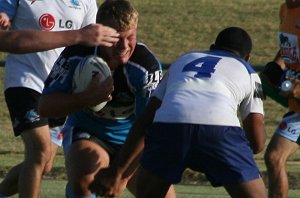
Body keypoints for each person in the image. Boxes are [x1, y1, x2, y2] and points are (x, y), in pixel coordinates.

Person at [92, 26, 267, 198]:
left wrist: (117, 171)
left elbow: (146, 119)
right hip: (219, 129)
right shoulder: (248, 71)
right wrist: (230, 154)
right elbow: (257, 142)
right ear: (248, 58)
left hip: (169, 125)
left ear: (212, 48)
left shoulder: (183, 60)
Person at [38, 0, 176, 197]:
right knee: (85, 184)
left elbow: (149, 128)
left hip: (133, 140)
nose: (124, 46)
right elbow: (45, 107)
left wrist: (121, 176)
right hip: (89, 132)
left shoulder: (145, 67)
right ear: (101, 33)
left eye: (131, 37)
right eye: (116, 38)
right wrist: (85, 98)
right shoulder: (76, 54)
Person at [0, 0, 109, 197]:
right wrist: (3, 20)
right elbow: (3, 29)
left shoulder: (86, 2)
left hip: (59, 88)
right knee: (39, 151)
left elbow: (92, 42)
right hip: (25, 79)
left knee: (45, 164)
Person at [263, 1, 300, 197]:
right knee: (274, 157)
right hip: (297, 106)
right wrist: (276, 66)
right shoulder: (286, 9)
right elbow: (288, 45)